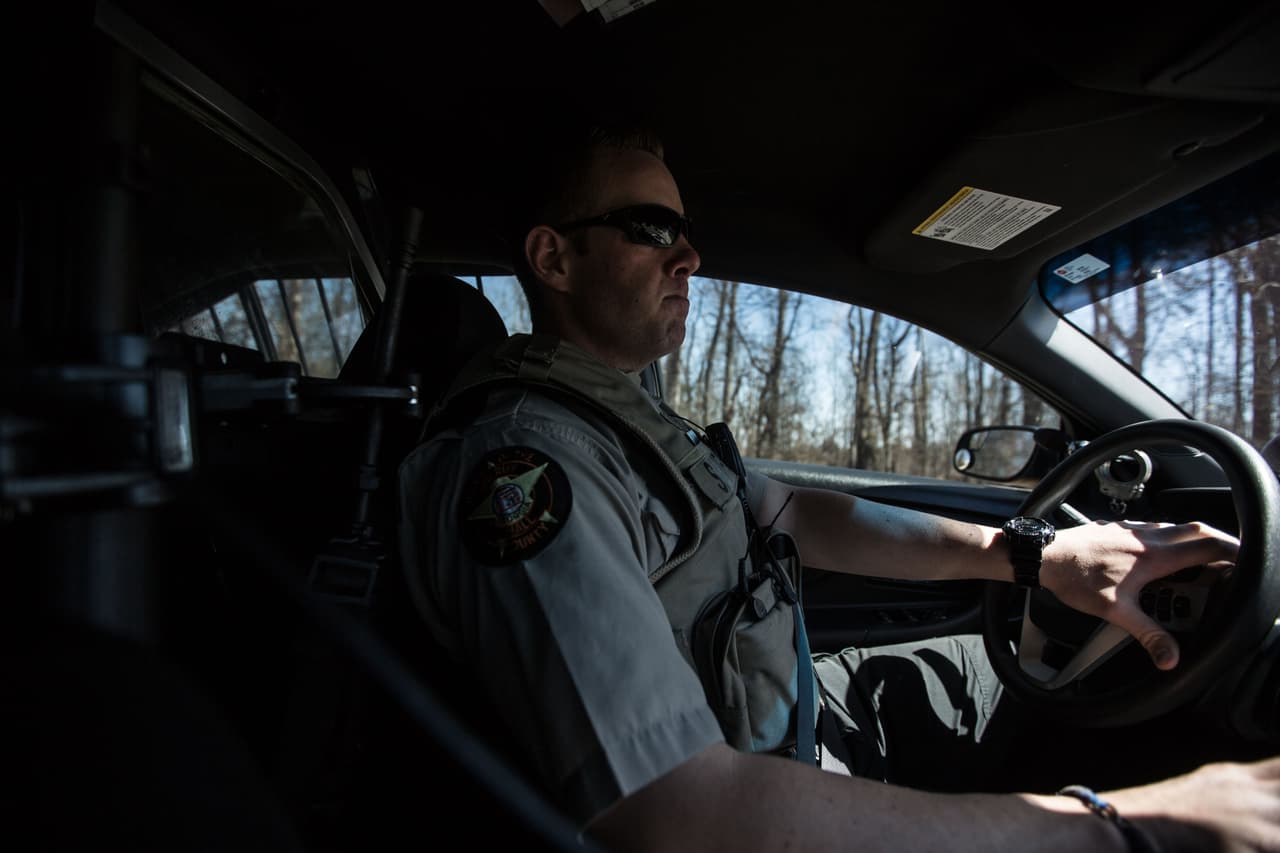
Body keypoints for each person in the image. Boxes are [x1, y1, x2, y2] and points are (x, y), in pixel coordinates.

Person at [397, 123, 1280, 852]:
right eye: (655, 229)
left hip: (792, 718)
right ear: (554, 258)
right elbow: (676, 813)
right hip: (742, 788)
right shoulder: (525, 463)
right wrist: (1131, 826)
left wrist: (1031, 558)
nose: (691, 257)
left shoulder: (622, 424)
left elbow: (794, 511)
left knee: (1011, 672)